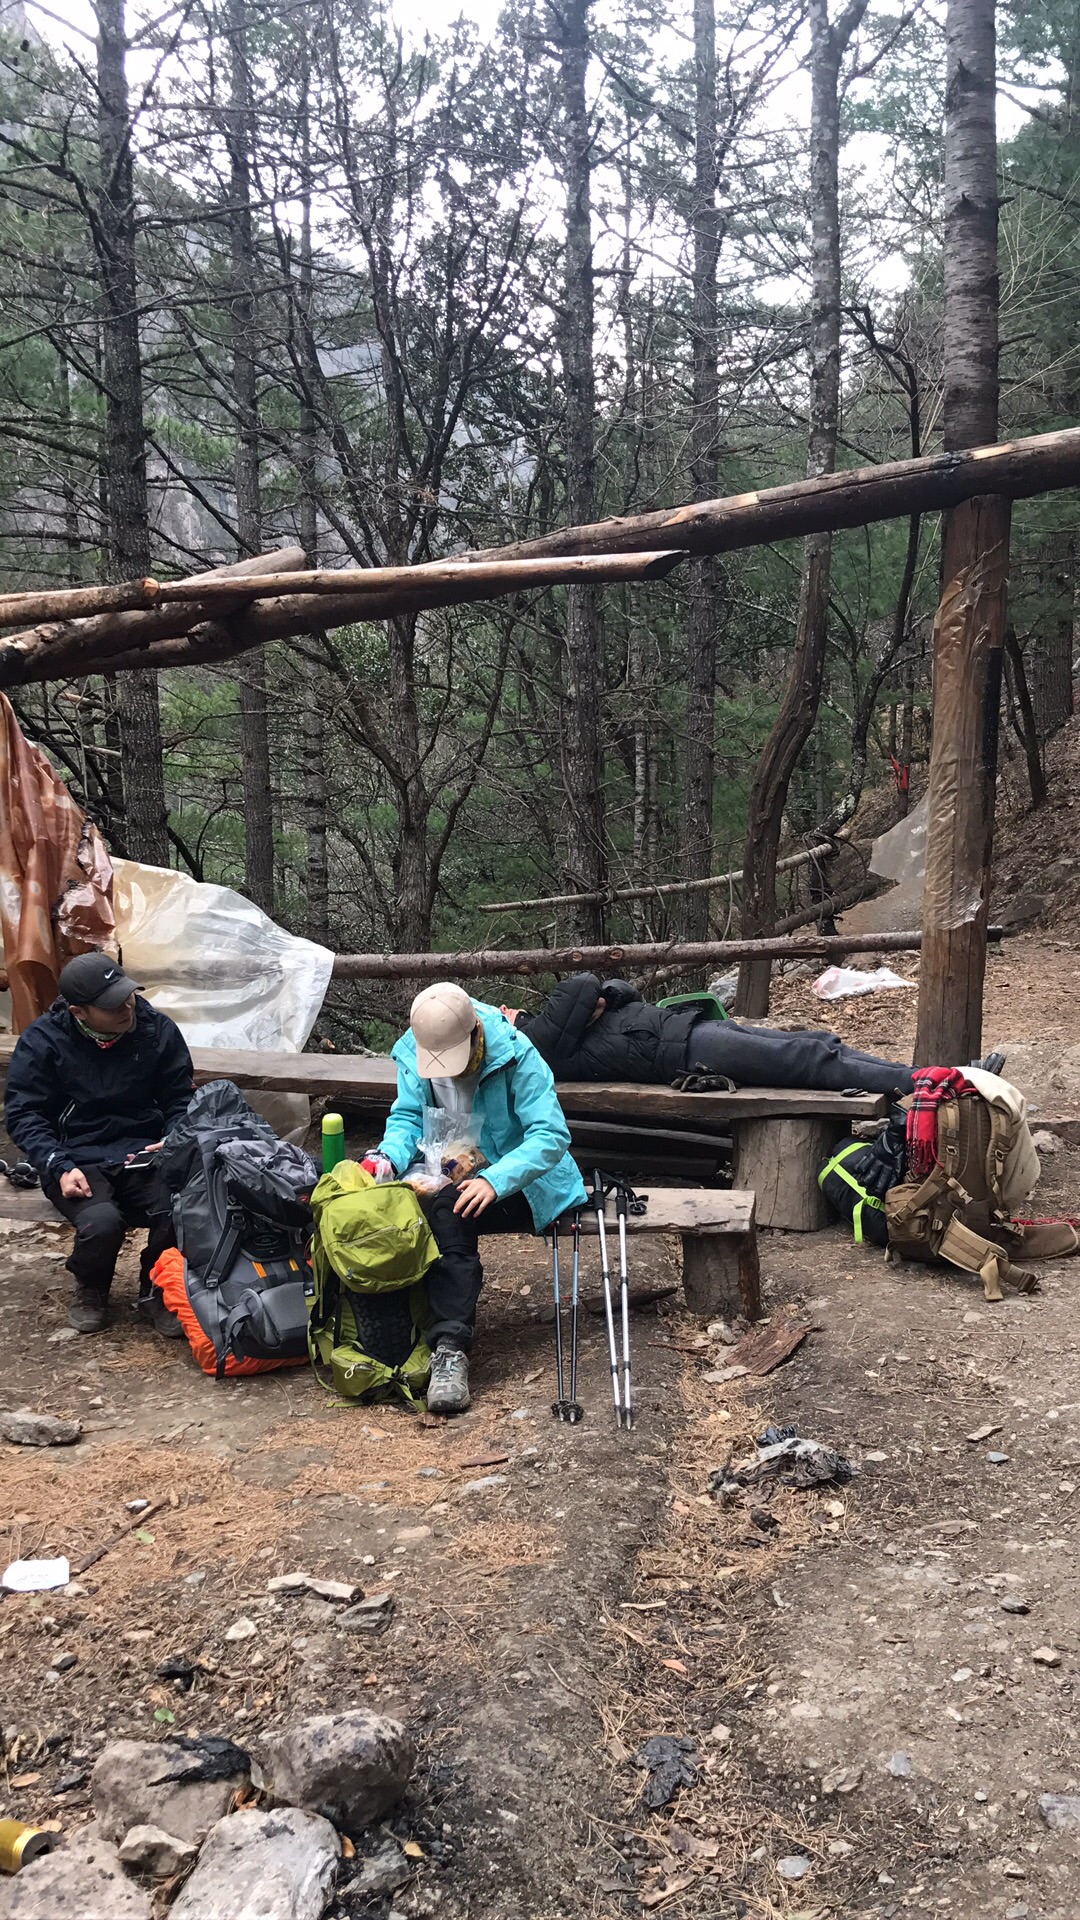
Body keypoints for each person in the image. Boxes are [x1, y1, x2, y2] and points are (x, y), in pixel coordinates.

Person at [362, 982, 586, 1415]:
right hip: (450, 1164)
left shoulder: (517, 1054)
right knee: (414, 1207)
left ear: (474, 1034)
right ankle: (407, 1332)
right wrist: (387, 1157)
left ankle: (450, 1349)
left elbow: (551, 1135)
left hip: (525, 1180)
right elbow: (408, 1116)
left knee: (450, 1208)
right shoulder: (414, 1049)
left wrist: (496, 1180)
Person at [4, 952, 195, 1335]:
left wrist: (175, 1137)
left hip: (146, 1150)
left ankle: (157, 1286)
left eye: (127, 995)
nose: (127, 1007)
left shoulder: (156, 1030)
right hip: (77, 1155)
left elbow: (180, 1098)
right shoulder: (44, 1040)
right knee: (102, 1222)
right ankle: (91, 1287)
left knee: (180, 1205)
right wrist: (57, 1163)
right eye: (112, 1004)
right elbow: (24, 1114)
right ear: (79, 1011)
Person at [514, 971, 915, 1097]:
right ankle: (925, 1080)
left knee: (817, 1043)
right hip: (684, 1052)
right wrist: (594, 999)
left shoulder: (554, 1027)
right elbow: (583, 983)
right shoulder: (535, 1042)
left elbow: (621, 988)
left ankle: (918, 1073)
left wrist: (604, 997)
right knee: (806, 1059)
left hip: (690, 1031)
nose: (504, 1008)